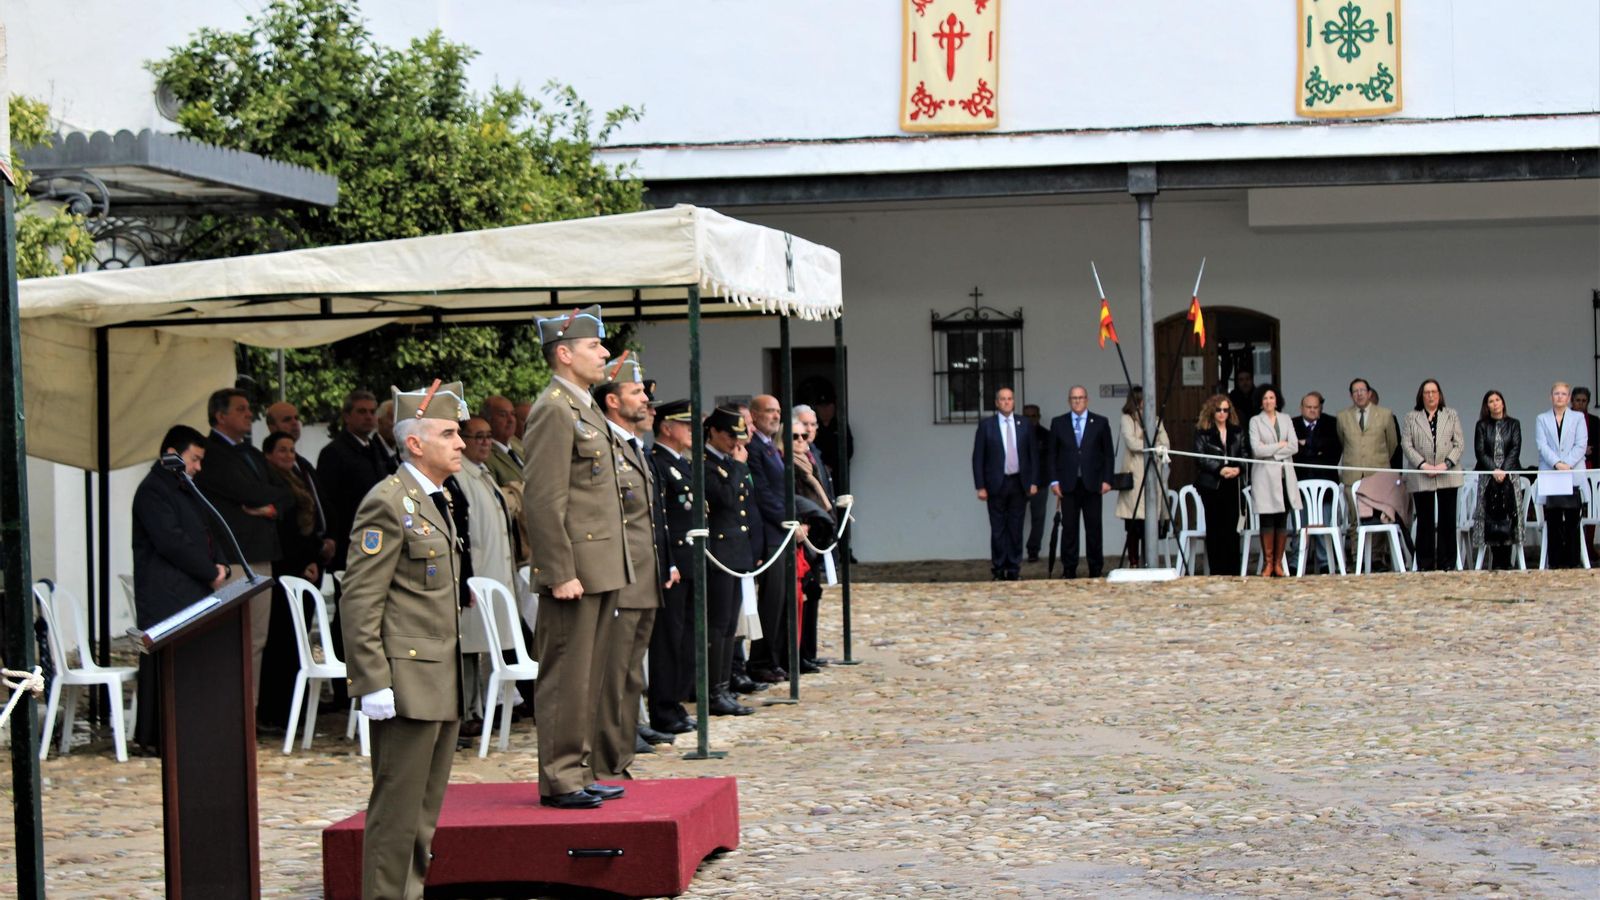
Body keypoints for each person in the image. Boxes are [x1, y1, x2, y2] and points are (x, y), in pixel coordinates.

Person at [339, 381, 468, 900]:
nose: (460, 442)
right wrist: (371, 679)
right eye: (449, 433)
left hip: (439, 678)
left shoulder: (435, 500)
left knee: (422, 814)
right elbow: (360, 599)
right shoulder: (389, 503)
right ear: (415, 443)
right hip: (407, 682)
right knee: (397, 813)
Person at [522, 304, 632, 810]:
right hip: (575, 573)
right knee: (567, 675)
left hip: (600, 567)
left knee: (590, 675)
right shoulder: (553, 408)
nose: (604, 352)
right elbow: (543, 500)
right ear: (564, 354)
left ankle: (580, 769)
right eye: (594, 346)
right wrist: (559, 571)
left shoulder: (584, 406)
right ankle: (561, 777)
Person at [592, 355, 676, 780]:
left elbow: (650, 517)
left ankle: (621, 755)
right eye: (637, 392)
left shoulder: (632, 449)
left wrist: (665, 561)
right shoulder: (603, 448)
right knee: (614, 676)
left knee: (630, 678)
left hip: (644, 576)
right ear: (612, 400)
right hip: (621, 578)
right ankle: (607, 761)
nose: (646, 401)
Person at [130, 425, 229, 755]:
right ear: (172, 455)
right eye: (194, 459)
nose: (198, 467)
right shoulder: (153, 491)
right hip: (166, 591)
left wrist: (222, 564)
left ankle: (186, 730)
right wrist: (208, 570)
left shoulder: (186, 489)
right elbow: (171, 541)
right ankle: (158, 736)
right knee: (166, 665)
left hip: (192, 588)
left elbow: (208, 530)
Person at [193, 387, 287, 707]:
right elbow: (247, 491)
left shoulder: (251, 453)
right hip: (233, 557)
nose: (249, 414)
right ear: (220, 416)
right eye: (241, 409)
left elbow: (283, 492)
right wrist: (262, 501)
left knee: (257, 638)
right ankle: (228, 708)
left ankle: (250, 706)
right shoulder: (213, 454)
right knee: (233, 639)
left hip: (261, 554)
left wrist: (267, 506)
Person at [257, 430, 327, 732]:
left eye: (291, 450)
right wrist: (304, 561)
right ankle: (275, 711)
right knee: (280, 643)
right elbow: (285, 534)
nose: (289, 455)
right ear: (269, 455)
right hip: (286, 568)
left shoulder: (300, 479)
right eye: (282, 450)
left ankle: (289, 709)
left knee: (295, 643)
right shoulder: (271, 484)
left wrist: (313, 558)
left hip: (303, 564)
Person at [455, 414, 519, 738]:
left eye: (487, 436)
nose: (484, 442)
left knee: (487, 645)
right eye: (476, 436)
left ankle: (482, 708)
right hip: (477, 575)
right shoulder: (459, 474)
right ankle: (468, 711)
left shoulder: (482, 473)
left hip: (494, 572)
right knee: (470, 645)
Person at [647, 400, 700, 733]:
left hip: (690, 559)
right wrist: (668, 563)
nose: (693, 431)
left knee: (685, 638)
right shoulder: (659, 464)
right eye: (686, 424)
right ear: (667, 428)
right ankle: (663, 707)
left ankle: (676, 701)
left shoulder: (684, 464)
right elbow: (661, 519)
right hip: (674, 561)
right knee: (668, 640)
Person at [702, 406, 757, 716]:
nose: (735, 443)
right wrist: (737, 467)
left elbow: (744, 503)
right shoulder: (708, 463)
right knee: (719, 625)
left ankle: (724, 685)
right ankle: (714, 689)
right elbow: (722, 499)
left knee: (730, 627)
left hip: (736, 552)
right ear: (714, 433)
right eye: (729, 436)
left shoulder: (727, 461)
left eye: (739, 436)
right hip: (720, 553)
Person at [746, 394, 805, 680]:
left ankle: (773, 659)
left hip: (780, 531)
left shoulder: (770, 447)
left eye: (778, 411)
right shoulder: (755, 447)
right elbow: (763, 493)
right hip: (771, 532)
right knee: (770, 600)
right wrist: (787, 521)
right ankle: (759, 662)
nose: (775, 416)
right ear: (754, 415)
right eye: (769, 411)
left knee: (780, 599)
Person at [1045, 385, 1114, 579]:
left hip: (1092, 484)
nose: (1077, 401)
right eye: (1074, 398)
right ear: (1069, 401)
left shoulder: (1100, 422)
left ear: (1087, 400)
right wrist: (1053, 481)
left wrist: (1107, 479)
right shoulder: (1059, 423)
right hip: (1068, 484)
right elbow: (1052, 455)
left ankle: (1095, 568)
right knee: (1069, 529)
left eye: (1081, 397)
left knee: (1094, 528)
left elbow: (1108, 454)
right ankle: (1069, 568)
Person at [971, 387, 1038, 581]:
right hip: (996, 483)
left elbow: (1033, 455)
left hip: (1019, 482)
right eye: (1003, 399)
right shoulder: (987, 426)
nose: (1007, 402)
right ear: (997, 403)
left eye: (1010, 399)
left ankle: (1014, 568)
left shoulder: (1024, 424)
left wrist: (1034, 481)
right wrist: (980, 486)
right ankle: (999, 567)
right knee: (998, 528)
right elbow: (978, 458)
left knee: (1016, 527)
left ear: (1014, 402)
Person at [1402, 379, 1465, 571]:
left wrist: (1445, 465)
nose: (1430, 396)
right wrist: (1423, 465)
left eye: (1434, 392)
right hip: (1422, 474)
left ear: (1440, 394)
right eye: (1427, 392)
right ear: (1421, 396)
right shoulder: (1411, 417)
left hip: (1447, 473)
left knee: (1447, 519)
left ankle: (1448, 563)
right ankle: (1425, 563)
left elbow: (1459, 443)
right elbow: (1407, 444)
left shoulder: (1451, 414)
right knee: (1424, 520)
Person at [1248, 385, 1302, 577]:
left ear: (1277, 400)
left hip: (1284, 476)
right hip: (1264, 477)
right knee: (1267, 519)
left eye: (1271, 398)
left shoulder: (1286, 419)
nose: (1268, 401)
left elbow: (1294, 446)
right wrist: (1280, 445)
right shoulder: (1255, 421)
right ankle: (1268, 563)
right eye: (1265, 398)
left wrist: (1271, 450)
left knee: (1282, 519)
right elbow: (1257, 450)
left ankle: (1278, 563)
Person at [1113, 388, 1168, 567]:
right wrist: (1152, 445)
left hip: (1153, 473)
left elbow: (1166, 443)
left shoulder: (1156, 419)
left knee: (1149, 523)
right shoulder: (1127, 419)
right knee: (1133, 524)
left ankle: (1149, 561)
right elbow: (1131, 442)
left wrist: (1153, 445)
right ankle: (1134, 561)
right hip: (1135, 477)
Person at [1535, 381, 1588, 569]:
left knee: (1573, 519)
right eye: (1556, 393)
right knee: (1554, 518)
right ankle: (1556, 562)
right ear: (1551, 397)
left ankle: (1573, 562)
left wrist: (1568, 463)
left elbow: (1581, 444)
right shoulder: (1542, 418)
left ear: (1568, 397)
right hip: (1551, 472)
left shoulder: (1578, 417)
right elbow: (1542, 445)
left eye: (1563, 394)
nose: (1560, 397)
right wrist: (1557, 463)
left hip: (1572, 473)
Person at [1193, 394, 1247, 576]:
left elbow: (1245, 455)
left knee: (1232, 529)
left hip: (1233, 484)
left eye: (1225, 410)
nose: (1222, 413)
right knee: (1215, 528)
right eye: (1218, 410)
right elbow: (1201, 458)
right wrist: (1220, 469)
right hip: (1212, 486)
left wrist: (1238, 469)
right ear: (1212, 411)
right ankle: (1217, 570)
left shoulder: (1237, 432)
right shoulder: (1203, 433)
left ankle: (1233, 570)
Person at [1471, 390, 1524, 570]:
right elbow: (1480, 451)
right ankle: (1496, 560)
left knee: (1509, 514)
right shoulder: (1482, 425)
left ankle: (1508, 559)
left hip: (1510, 477)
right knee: (1491, 516)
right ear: (1487, 406)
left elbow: (1515, 448)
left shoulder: (1514, 424)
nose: (1494, 403)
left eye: (1497, 400)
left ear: (1503, 403)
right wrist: (1494, 469)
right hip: (1488, 476)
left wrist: (1504, 470)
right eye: (1490, 401)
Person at [1291, 391, 1342, 573]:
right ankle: (1297, 562)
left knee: (1324, 526)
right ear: (1301, 407)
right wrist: (1315, 449)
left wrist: (1306, 445)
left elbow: (1334, 451)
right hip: (1299, 484)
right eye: (1309, 407)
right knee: (1300, 526)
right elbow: (1292, 452)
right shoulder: (1293, 424)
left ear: (1320, 408)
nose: (1312, 411)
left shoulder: (1331, 423)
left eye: (1316, 407)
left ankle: (1324, 562)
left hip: (1325, 484)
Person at [1335, 378, 1400, 487]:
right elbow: (1343, 442)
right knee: (1353, 504)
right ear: (1351, 396)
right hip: (1352, 476)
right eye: (1355, 391)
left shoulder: (1385, 414)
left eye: (1362, 390)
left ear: (1369, 393)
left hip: (1378, 473)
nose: (1359, 394)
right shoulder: (1342, 416)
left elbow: (1392, 443)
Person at [1021, 403, 1050, 562]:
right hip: (1019, 484)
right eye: (1027, 416)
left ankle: (1033, 550)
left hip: (1040, 484)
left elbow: (1049, 461)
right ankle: (1014, 550)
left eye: (1033, 416)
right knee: (1015, 518)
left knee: (1038, 519)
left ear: (1038, 417)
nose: (1030, 419)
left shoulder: (1046, 435)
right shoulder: (1016, 434)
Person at [1573, 387, 1598, 549]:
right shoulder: (1565, 419)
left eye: (1584, 401)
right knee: (1573, 509)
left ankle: (1588, 547)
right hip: (1571, 469)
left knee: (1591, 508)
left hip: (1591, 467)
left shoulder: (1595, 421)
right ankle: (1574, 547)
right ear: (1572, 401)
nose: (1581, 404)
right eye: (1578, 400)